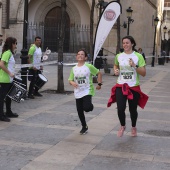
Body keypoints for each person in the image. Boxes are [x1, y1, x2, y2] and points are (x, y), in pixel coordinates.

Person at [107, 36, 148, 137]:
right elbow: (116, 65)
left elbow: (143, 73)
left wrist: (135, 66)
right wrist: (116, 70)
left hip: (133, 86)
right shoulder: (119, 56)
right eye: (123, 43)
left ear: (132, 44)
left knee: (132, 109)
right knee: (120, 108)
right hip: (121, 85)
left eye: (127, 43)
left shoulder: (138, 56)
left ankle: (133, 127)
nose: (125, 45)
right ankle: (122, 126)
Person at [68, 49, 102, 135]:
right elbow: (70, 79)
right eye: (78, 54)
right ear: (76, 57)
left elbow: (98, 73)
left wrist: (99, 83)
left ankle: (90, 106)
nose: (80, 55)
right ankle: (84, 126)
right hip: (78, 91)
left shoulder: (89, 66)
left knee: (87, 108)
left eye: (82, 54)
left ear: (85, 57)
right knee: (79, 110)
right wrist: (73, 83)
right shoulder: (73, 68)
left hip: (87, 90)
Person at [0, 37, 18, 122]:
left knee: (9, 96)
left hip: (9, 79)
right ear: (11, 44)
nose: (15, 45)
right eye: (15, 43)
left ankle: (8, 111)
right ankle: (1, 115)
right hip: (4, 79)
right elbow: (1, 64)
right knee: (2, 98)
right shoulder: (7, 53)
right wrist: (9, 73)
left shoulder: (10, 53)